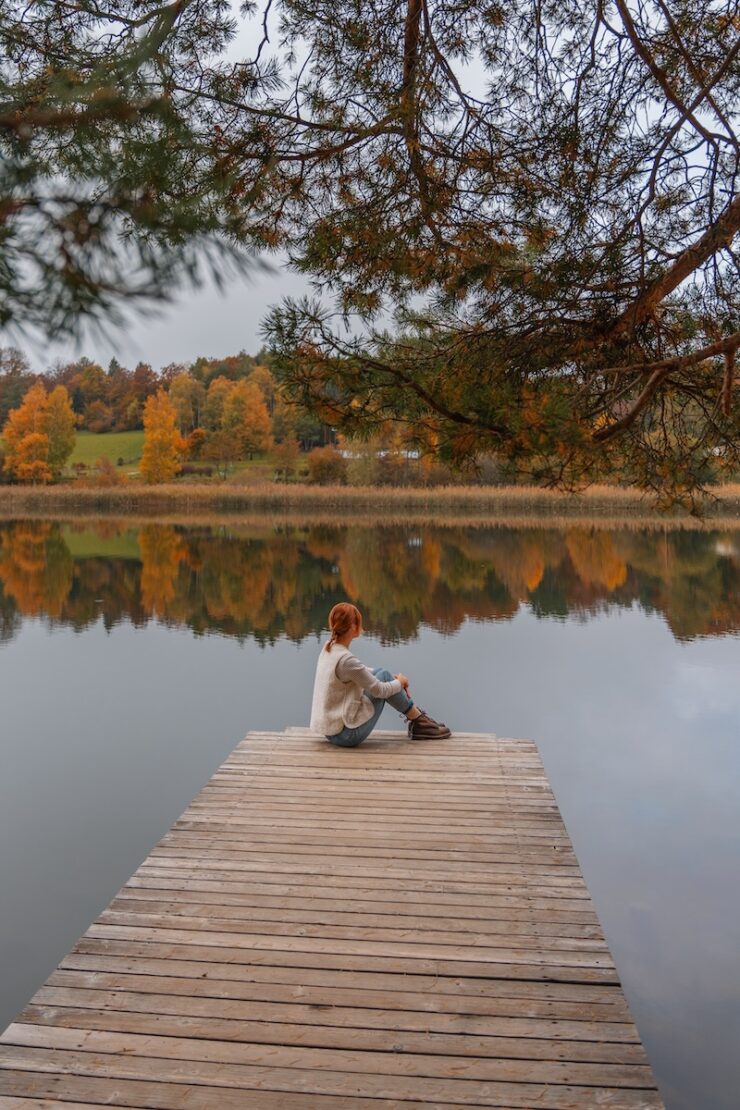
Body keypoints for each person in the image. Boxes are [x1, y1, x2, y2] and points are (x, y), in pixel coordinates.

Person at [310, 602, 451, 747]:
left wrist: (393, 680)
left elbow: (361, 671)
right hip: (347, 735)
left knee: (381, 673)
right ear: (352, 626)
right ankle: (420, 722)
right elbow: (380, 691)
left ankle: (419, 720)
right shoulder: (346, 660)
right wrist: (400, 683)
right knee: (383, 677)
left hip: (331, 731)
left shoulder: (329, 649)